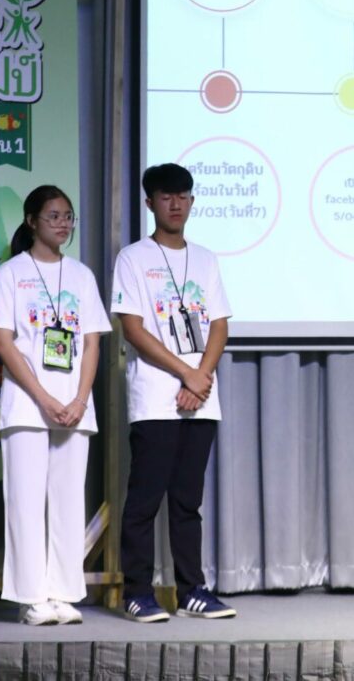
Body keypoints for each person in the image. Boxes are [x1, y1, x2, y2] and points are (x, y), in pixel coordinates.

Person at [112, 163, 235, 621]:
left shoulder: (205, 259)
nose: (176, 204)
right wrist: (187, 374)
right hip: (155, 398)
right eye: (166, 196)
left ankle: (192, 591)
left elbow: (218, 325)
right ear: (150, 203)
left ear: (192, 201)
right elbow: (132, 328)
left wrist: (199, 378)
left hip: (201, 400)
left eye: (183, 196)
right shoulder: (133, 258)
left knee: (188, 502)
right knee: (145, 500)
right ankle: (137, 593)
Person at [0, 185, 109, 625]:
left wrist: (79, 399)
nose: (63, 224)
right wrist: (43, 397)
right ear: (31, 221)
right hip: (27, 405)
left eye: (68, 216)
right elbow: (3, 341)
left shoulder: (81, 275)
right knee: (24, 502)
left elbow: (92, 342)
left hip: (75, 408)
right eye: (53, 216)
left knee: (68, 502)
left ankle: (63, 591)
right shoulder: (11, 274)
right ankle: (30, 596)